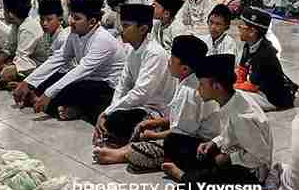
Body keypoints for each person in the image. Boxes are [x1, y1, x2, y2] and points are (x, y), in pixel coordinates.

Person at [93, 35, 220, 172]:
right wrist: (152, 123)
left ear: (184, 68)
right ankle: (125, 150)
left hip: (199, 144)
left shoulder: (190, 91)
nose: (168, 62)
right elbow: (178, 118)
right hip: (184, 133)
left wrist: (153, 136)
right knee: (140, 128)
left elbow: (182, 134)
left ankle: (122, 154)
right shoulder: (188, 81)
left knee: (152, 148)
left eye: (172, 59)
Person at [161, 53, 274, 190]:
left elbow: (260, 156)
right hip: (230, 153)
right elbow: (230, 133)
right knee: (173, 140)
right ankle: (196, 174)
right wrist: (214, 142)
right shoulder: (230, 99)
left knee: (198, 183)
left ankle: (184, 176)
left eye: (201, 85)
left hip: (250, 171)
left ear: (216, 86)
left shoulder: (243, 116)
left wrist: (229, 159)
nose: (198, 89)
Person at [23, 0, 127, 122]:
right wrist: (28, 82)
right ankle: (68, 107)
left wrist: (48, 94)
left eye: (77, 18)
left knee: (70, 91)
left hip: (107, 86)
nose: (71, 21)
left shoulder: (103, 40)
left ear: (92, 22)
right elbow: (59, 58)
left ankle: (76, 109)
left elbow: (81, 70)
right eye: (71, 16)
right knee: (53, 82)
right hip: (87, 80)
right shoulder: (74, 33)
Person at [93, 4, 177, 149]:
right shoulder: (132, 50)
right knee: (102, 104)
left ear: (142, 29)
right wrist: (109, 111)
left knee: (115, 119)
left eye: (126, 26)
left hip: (157, 111)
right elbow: (123, 85)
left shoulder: (155, 53)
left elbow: (141, 93)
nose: (121, 30)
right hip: (139, 105)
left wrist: (108, 113)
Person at [236, 8, 298, 111]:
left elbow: (252, 86)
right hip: (260, 89)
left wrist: (233, 87)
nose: (238, 29)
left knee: (233, 96)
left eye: (241, 27)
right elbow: (242, 70)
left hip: (272, 98)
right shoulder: (248, 45)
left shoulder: (265, 54)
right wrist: (236, 83)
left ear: (252, 32)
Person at [11, 0, 70, 103]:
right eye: (42, 19)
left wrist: (31, 84)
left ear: (60, 19)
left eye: (49, 19)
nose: (44, 23)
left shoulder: (63, 38)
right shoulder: (47, 35)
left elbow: (58, 69)